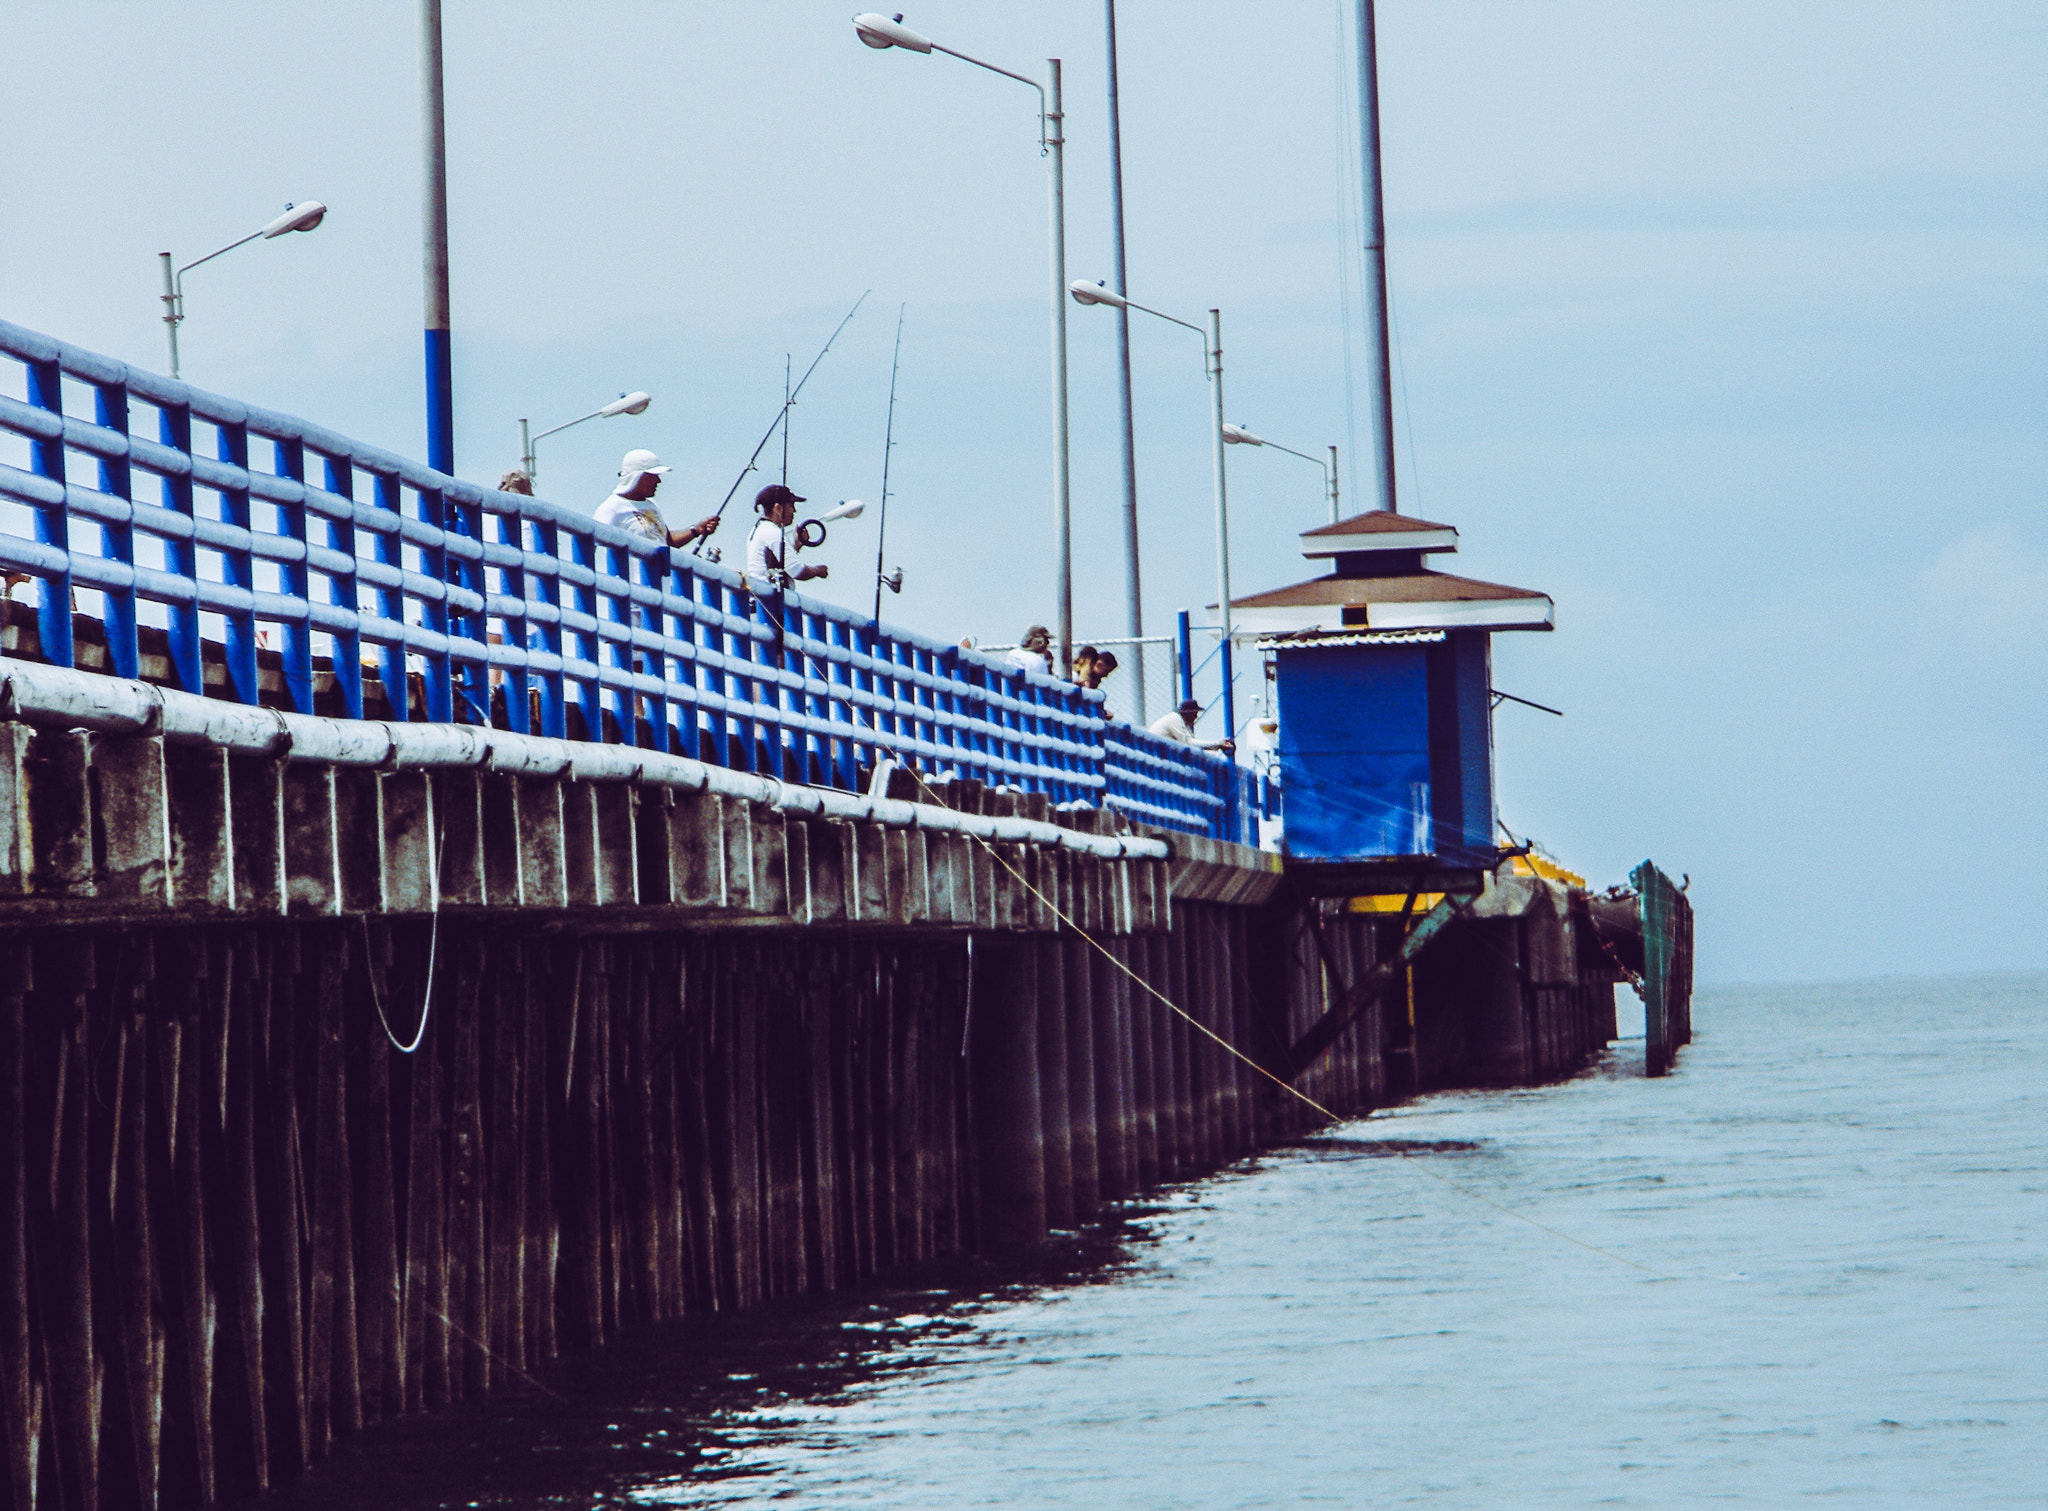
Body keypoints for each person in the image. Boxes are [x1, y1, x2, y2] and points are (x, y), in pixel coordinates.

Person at [594, 449, 719, 549]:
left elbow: (666, 542)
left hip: (660, 580)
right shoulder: (612, 507)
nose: (658, 481)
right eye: (653, 476)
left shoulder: (651, 505)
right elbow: (592, 544)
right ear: (637, 477)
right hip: (632, 580)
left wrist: (695, 530)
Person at [746, 483, 829, 589]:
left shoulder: (757, 530)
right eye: (791, 505)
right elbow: (796, 570)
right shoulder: (773, 532)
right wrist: (818, 571)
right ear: (778, 508)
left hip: (761, 599)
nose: (795, 511)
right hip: (770, 602)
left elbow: (775, 564)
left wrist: (796, 546)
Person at [1149, 697, 1234, 753]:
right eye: (1194, 713)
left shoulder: (1181, 722)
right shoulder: (1174, 719)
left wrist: (1216, 746)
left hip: (1158, 751)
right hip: (1153, 751)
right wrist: (1218, 743)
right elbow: (1189, 743)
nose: (1196, 717)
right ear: (1188, 713)